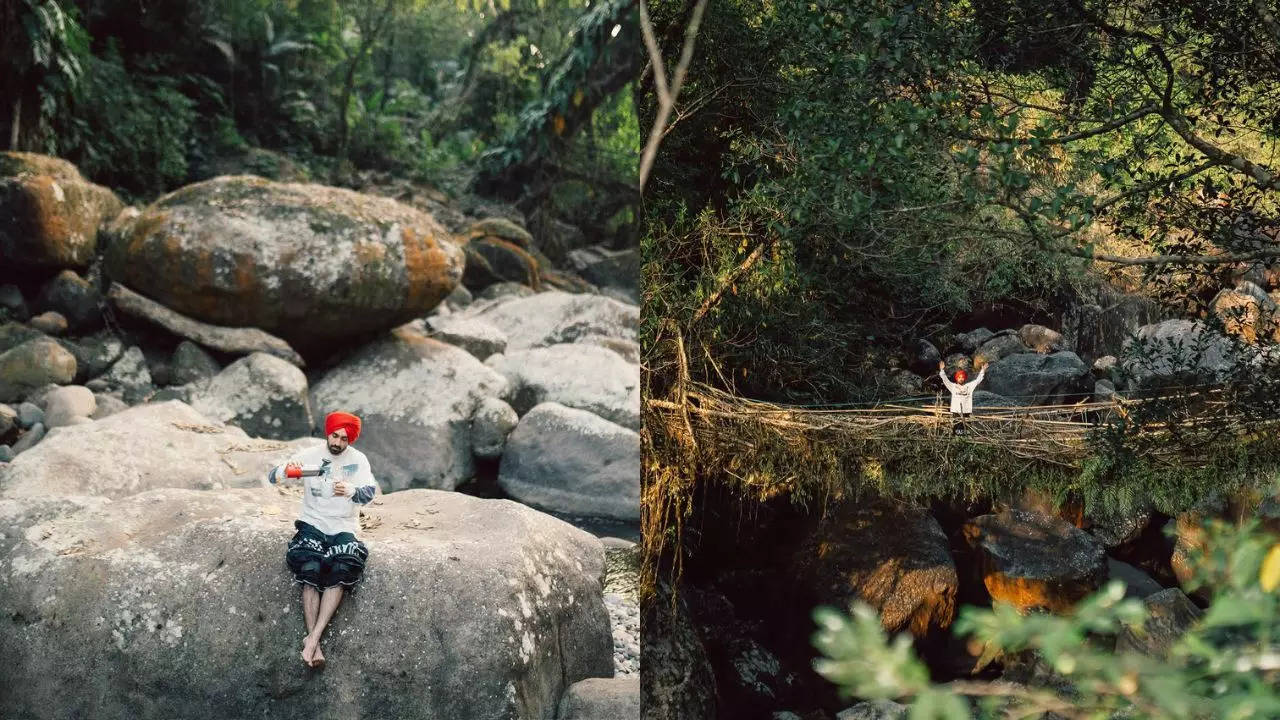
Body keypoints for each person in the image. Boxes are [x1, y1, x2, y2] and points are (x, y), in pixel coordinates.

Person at [267, 411, 378, 668]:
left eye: (344, 439)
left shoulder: (358, 460)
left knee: (342, 567)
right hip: (313, 522)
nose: (338, 442)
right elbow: (273, 476)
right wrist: (288, 471)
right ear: (328, 433)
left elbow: (370, 493)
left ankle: (313, 640)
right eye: (335, 436)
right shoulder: (311, 456)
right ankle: (314, 645)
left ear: (350, 440)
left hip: (343, 525)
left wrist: (352, 491)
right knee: (311, 567)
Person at [938, 360, 986, 434]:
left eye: (962, 377)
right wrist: (942, 370)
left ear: (964, 378)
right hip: (956, 411)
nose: (961, 378)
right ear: (957, 378)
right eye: (959, 377)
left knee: (965, 428)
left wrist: (983, 370)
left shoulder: (969, 387)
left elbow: (977, 381)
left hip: (966, 410)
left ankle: (965, 441)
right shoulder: (953, 387)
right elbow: (945, 380)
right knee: (956, 428)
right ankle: (956, 441)